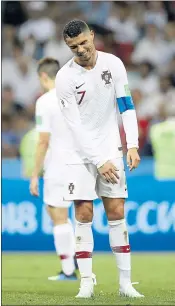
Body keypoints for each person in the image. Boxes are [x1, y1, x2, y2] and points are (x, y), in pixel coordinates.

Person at [55, 20, 144, 298]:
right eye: (73, 47)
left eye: (83, 42)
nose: (80, 49)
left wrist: (132, 144)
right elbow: (75, 126)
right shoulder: (64, 78)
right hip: (79, 155)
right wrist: (98, 160)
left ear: (92, 35)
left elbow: (126, 106)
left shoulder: (113, 64)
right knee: (83, 214)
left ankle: (125, 284)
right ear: (67, 46)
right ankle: (86, 282)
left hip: (111, 151)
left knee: (117, 213)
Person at [29, 57, 79, 281]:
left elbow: (42, 142)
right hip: (80, 163)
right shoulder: (76, 95)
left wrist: (34, 174)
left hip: (58, 164)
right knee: (68, 215)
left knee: (57, 215)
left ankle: (68, 270)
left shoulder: (45, 101)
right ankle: (75, 262)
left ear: (43, 77)